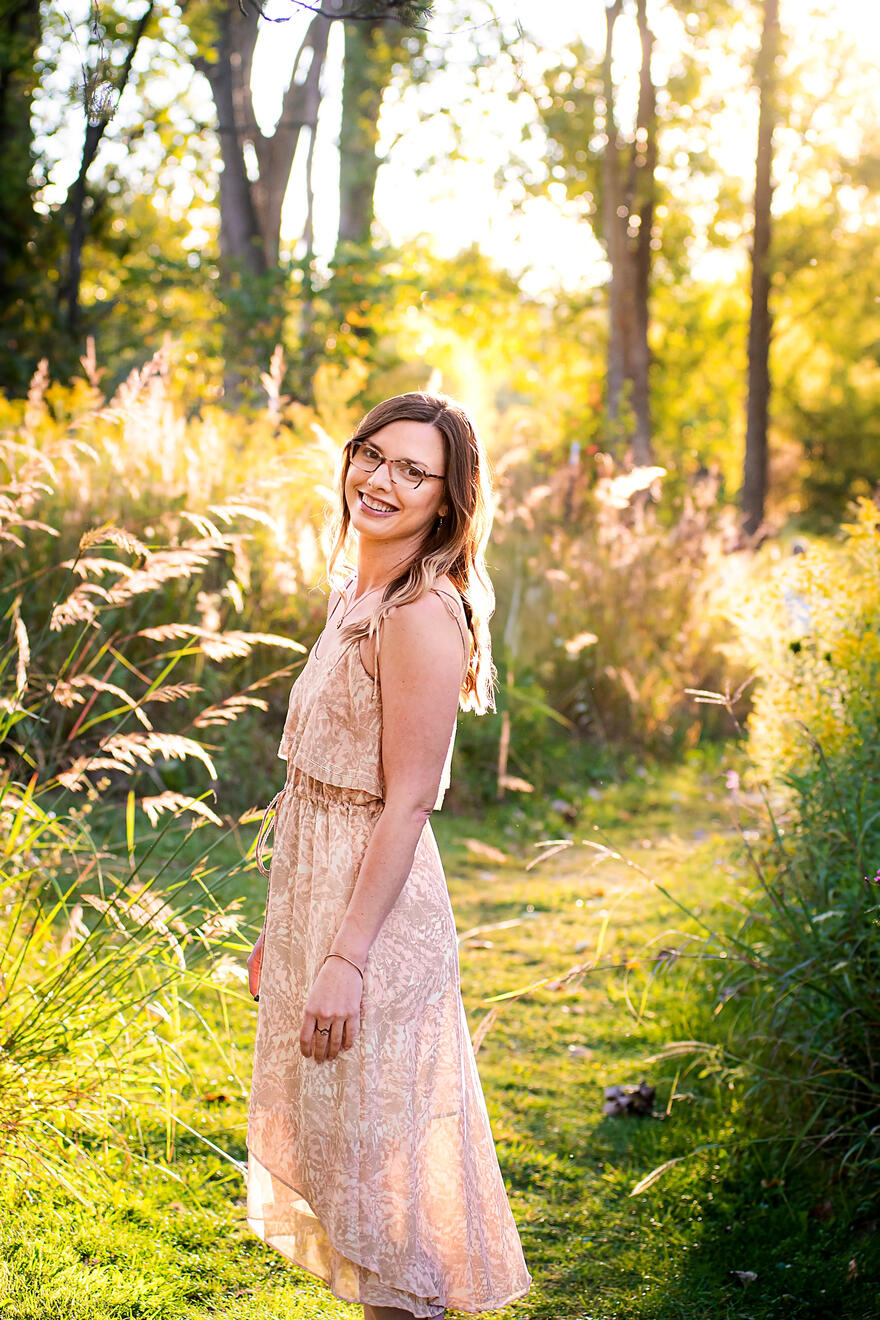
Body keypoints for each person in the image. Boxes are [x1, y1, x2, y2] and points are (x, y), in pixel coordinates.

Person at [244, 392, 533, 1320]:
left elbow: (407, 801)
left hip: (375, 924)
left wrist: (343, 957)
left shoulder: (417, 613)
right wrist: (283, 934)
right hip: (319, 906)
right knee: (357, 1176)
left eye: (415, 471)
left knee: (393, 1203)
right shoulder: (357, 596)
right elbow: (316, 789)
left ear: (449, 502)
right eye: (374, 455)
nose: (382, 480)